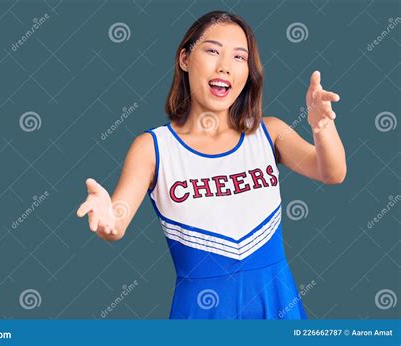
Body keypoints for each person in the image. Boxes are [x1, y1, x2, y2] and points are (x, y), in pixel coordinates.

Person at [76, 10, 346, 319]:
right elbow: (116, 224)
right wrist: (107, 220)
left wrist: (321, 126)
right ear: (185, 59)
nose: (225, 67)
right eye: (213, 50)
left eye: (239, 57)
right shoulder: (153, 147)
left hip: (276, 302)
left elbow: (332, 172)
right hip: (202, 311)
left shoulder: (269, 132)